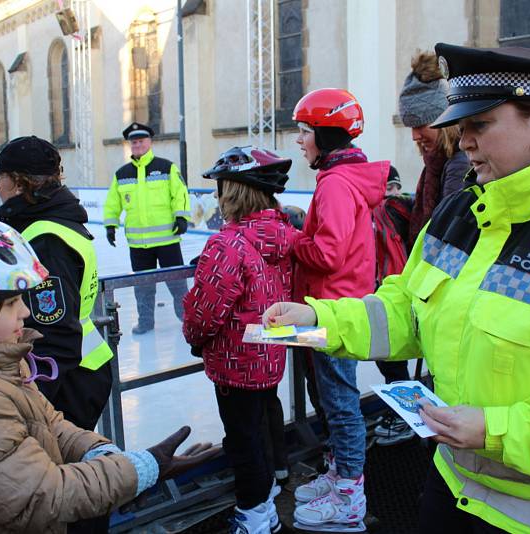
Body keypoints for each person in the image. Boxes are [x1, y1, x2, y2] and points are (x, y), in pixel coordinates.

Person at [264, 43, 530, 533]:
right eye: (460, 128)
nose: (463, 142)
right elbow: (406, 311)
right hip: (454, 489)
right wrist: (315, 323)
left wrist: (494, 431)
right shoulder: (460, 213)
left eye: (479, 125)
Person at [0, 215, 217, 533]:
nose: (26, 312)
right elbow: (45, 496)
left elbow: (51, 424)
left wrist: (104, 455)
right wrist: (140, 471)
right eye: (11, 303)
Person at [0, 137, 116, 532]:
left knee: (70, 483)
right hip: (82, 368)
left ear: (20, 184)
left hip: (68, 378)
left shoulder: (45, 238)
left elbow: (54, 332)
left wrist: (34, 402)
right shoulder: (53, 222)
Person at [183, 146, 296, 534]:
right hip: (271, 354)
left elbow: (206, 311)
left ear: (231, 193)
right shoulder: (285, 236)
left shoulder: (225, 245)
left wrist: (194, 337)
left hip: (235, 361)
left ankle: (255, 515)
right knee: (260, 427)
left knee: (243, 439)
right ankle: (266, 498)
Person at [290, 88, 389, 532]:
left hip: (331, 310)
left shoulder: (333, 184)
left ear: (326, 136)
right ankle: (339, 473)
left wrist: (293, 240)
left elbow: (327, 254)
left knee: (340, 401)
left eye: (305, 132)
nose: (300, 141)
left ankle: (350, 491)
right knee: (332, 397)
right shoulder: (343, 180)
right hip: (336, 303)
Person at [103, 122, 191, 334]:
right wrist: (110, 225)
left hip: (167, 240)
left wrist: (181, 217)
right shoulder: (122, 174)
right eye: (134, 142)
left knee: (178, 285)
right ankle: (145, 322)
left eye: (141, 141)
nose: (137, 145)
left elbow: (180, 194)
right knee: (142, 287)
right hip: (139, 245)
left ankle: (188, 320)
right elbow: (112, 203)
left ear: (150, 142)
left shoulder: (166, 167)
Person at [398, 51, 471, 249]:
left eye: (420, 125)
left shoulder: (460, 164)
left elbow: (448, 229)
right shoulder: (438, 162)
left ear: (444, 121)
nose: (414, 136)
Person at [370, 165, 416, 446]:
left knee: (392, 359)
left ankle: (405, 415)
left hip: (392, 289)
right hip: (397, 288)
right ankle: (403, 412)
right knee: (390, 359)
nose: (393, 195)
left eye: (393, 188)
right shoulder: (402, 210)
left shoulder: (388, 210)